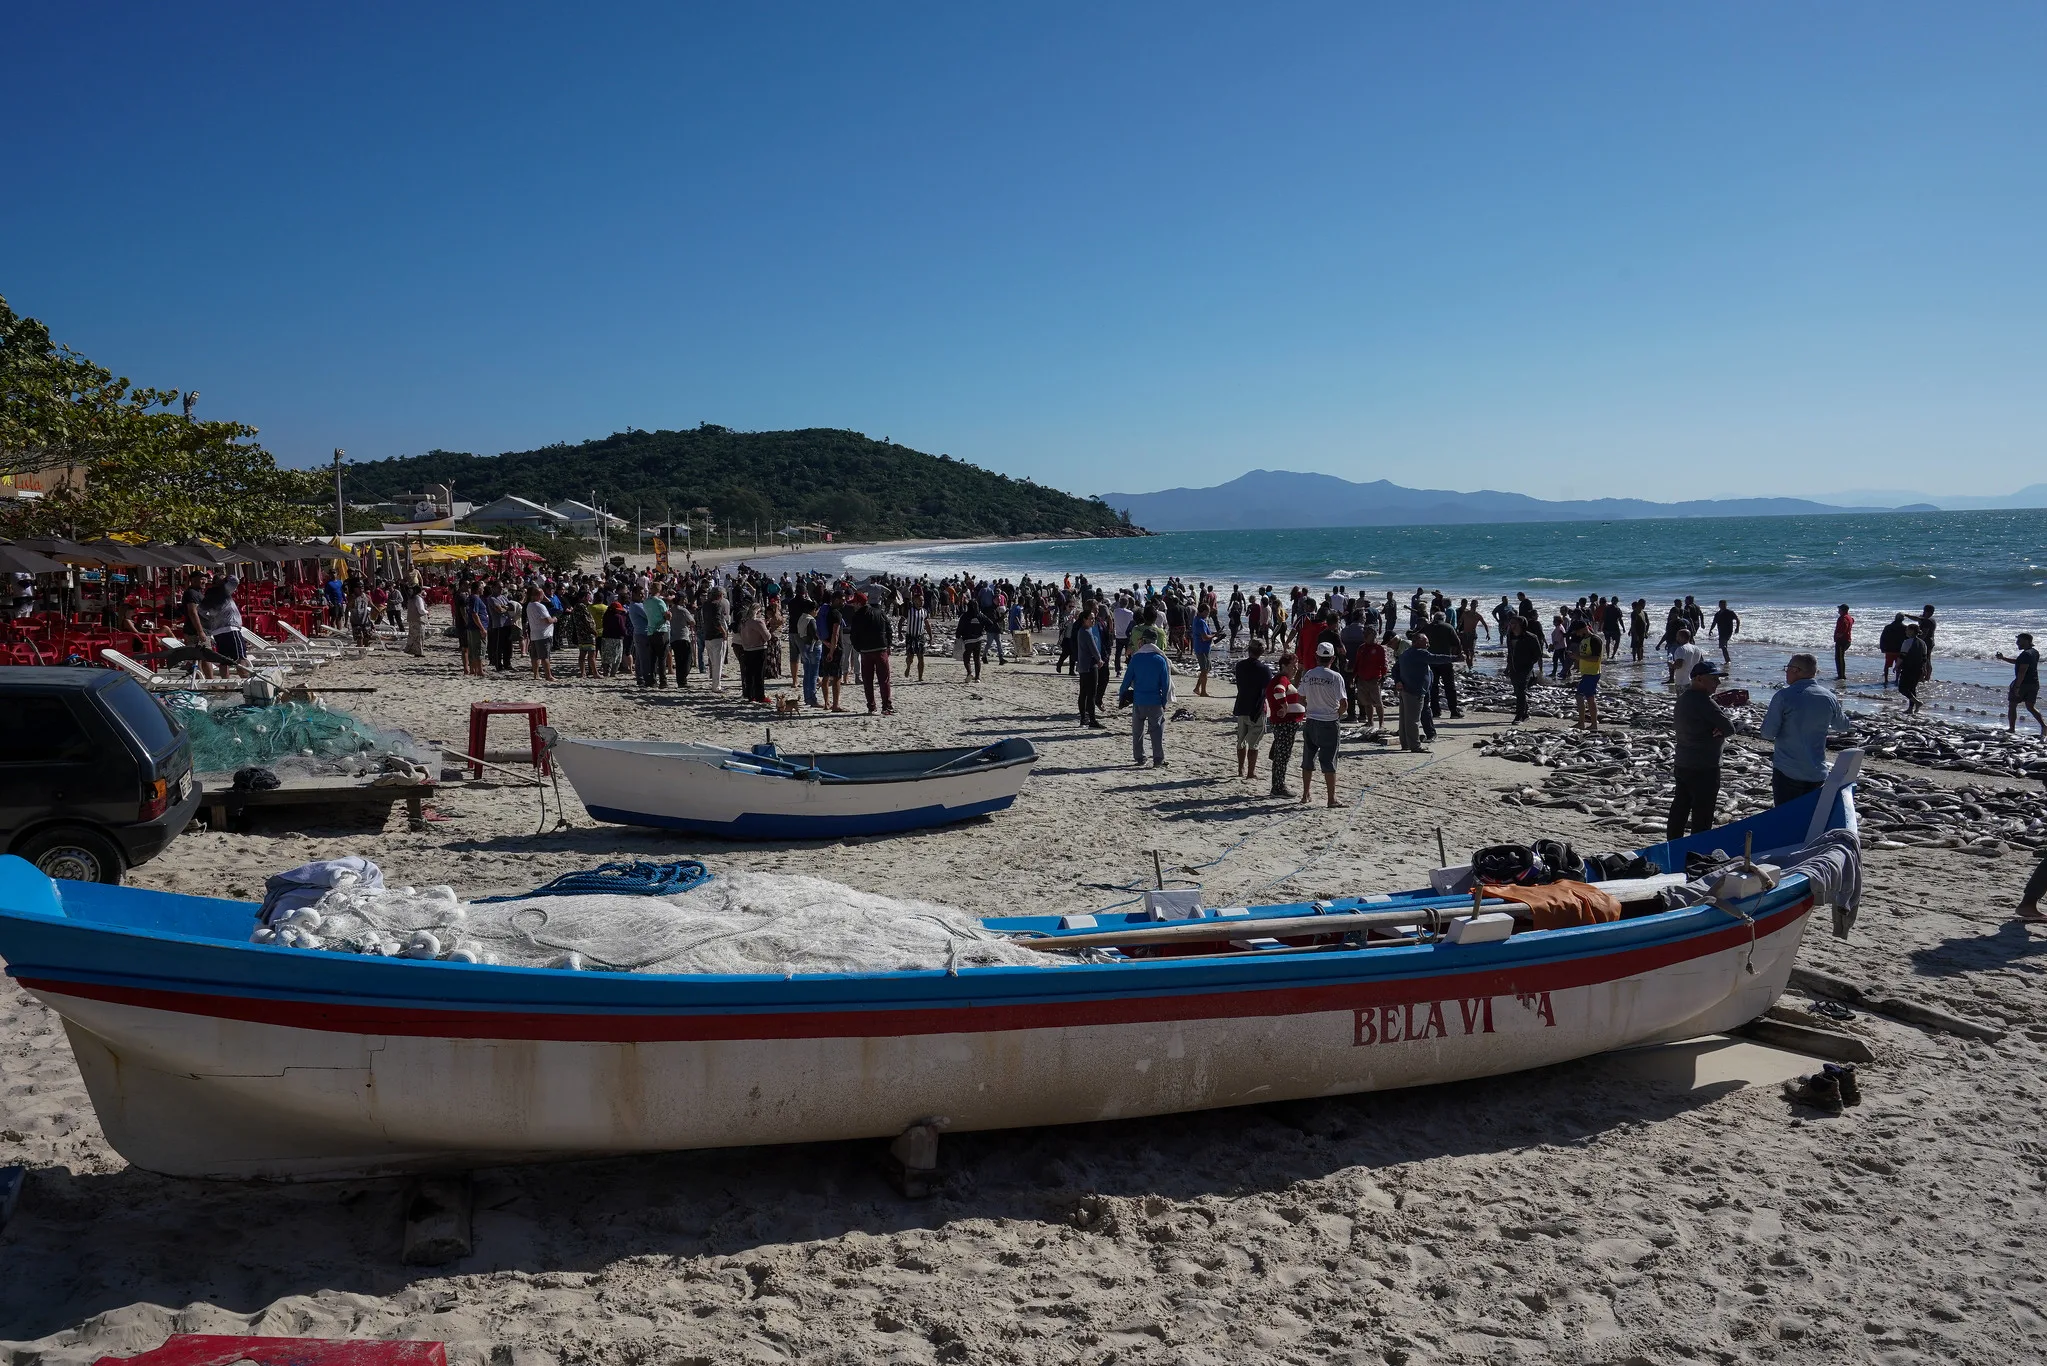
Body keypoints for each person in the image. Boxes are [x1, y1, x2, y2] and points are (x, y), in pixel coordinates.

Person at [1759, 653, 1850, 805]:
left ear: (1797, 670)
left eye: (1788, 668)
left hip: (1788, 770)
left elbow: (1768, 734)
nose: (1786, 671)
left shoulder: (1783, 696)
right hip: (1817, 771)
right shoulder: (1829, 697)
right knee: (1810, 819)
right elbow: (1842, 726)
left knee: (1786, 818)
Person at [1670, 660, 1737, 839]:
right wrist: (1720, 729)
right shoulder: (1704, 701)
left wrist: (1719, 729)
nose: (1718, 683)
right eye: (1714, 679)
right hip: (1704, 766)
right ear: (1699, 679)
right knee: (1703, 813)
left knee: (1680, 807)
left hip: (1684, 762)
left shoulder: (1684, 698)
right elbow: (1730, 728)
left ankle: (1673, 843)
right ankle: (1697, 852)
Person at [1298, 640, 1347, 807]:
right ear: (1332, 659)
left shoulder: (1309, 674)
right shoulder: (1335, 677)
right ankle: (1331, 798)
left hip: (1312, 720)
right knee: (1329, 761)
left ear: (1316, 657)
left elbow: (1300, 697)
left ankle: (1305, 794)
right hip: (1328, 722)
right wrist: (1336, 715)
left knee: (1308, 758)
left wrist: (1310, 708)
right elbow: (1344, 704)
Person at [1393, 628, 1455, 753]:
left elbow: (1395, 669)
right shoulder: (1419, 653)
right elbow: (1436, 658)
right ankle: (1415, 746)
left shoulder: (1406, 653)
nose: (1428, 645)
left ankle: (1405, 744)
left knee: (1405, 719)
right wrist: (1455, 658)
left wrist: (1398, 681)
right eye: (1426, 642)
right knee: (1413, 720)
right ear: (1417, 642)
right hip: (1414, 691)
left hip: (1408, 690)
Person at [1118, 632, 1174, 768]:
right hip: (1154, 700)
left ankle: (1139, 757)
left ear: (1143, 642)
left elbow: (1126, 680)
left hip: (1139, 700)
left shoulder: (1136, 659)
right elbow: (1165, 683)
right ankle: (1158, 758)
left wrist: (1121, 696)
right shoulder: (1160, 659)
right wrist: (1164, 701)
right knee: (1156, 731)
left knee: (1137, 731)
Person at [1231, 638, 1273, 780]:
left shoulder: (1240, 665)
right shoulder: (1264, 669)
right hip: (1257, 708)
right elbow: (1268, 690)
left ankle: (1240, 769)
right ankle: (1250, 772)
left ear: (1249, 649)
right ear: (1262, 652)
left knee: (1241, 740)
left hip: (1242, 705)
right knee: (1253, 744)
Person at [1266, 655, 1306, 796]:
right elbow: (1278, 690)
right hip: (1285, 723)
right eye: (1293, 665)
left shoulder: (1283, 679)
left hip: (1285, 723)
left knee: (1281, 754)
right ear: (1284, 666)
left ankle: (1278, 785)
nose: (1295, 668)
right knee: (1282, 756)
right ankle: (1278, 787)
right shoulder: (1281, 679)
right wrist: (1285, 706)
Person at [849, 592, 895, 714]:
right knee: (884, 679)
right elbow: (889, 630)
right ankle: (886, 706)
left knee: (868, 680)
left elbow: (853, 636)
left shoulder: (857, 616)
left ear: (859, 603)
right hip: (881, 649)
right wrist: (888, 645)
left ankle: (871, 706)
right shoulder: (879, 612)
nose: (853, 605)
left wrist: (858, 648)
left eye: (854, 603)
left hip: (866, 652)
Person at [1998, 633, 2043, 734]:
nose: (2017, 643)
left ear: (2027, 641)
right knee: (2030, 707)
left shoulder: (2026, 654)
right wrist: (2003, 658)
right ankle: (2044, 726)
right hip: (2034, 683)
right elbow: (2019, 662)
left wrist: (2017, 686)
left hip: (2023, 684)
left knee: (2012, 705)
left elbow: (2022, 671)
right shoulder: (2035, 652)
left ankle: (2011, 728)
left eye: (2019, 641)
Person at [1504, 615, 1541, 722]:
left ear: (1521, 625)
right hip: (1513, 667)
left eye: (1514, 623)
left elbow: (1537, 654)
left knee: (1521, 690)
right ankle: (1525, 713)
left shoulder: (1531, 637)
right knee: (1517, 691)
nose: (1511, 625)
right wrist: (1508, 666)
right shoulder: (1510, 636)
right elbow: (1510, 652)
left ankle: (1519, 715)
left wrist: (1529, 664)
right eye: (1510, 623)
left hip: (1525, 668)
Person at [736, 602, 773, 703]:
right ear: (758, 611)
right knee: (759, 674)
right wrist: (767, 628)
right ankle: (760, 696)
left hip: (747, 649)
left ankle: (750, 695)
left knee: (749, 674)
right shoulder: (758, 622)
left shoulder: (744, 622)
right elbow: (767, 637)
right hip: (759, 649)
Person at [1353, 627, 1387, 731]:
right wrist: (1354, 676)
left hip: (1374, 679)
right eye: (1366, 635)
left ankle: (1381, 724)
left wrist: (1384, 675)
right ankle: (1370, 722)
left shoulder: (1379, 648)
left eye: (1370, 635)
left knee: (1378, 702)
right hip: (1362, 678)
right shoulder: (1361, 648)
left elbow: (1384, 664)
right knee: (1366, 702)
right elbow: (1357, 663)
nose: (1367, 637)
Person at [1573, 624, 1603, 731]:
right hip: (1586, 673)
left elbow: (1596, 658)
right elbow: (1583, 655)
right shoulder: (1583, 640)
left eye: (1578, 631)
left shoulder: (1595, 639)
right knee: (1589, 698)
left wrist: (1579, 657)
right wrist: (1576, 659)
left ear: (1584, 629)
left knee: (1580, 696)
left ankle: (1586, 723)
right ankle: (1589, 723)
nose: (1577, 634)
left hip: (1593, 673)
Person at [523, 587, 556, 681]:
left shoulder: (529, 605)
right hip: (544, 634)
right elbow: (548, 620)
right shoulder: (539, 606)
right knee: (545, 656)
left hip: (534, 633)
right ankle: (548, 675)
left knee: (535, 656)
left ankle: (536, 674)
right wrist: (554, 619)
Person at [700, 589, 730, 692]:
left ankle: (715, 684)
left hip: (708, 635)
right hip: (717, 636)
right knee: (718, 663)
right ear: (720, 595)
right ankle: (716, 686)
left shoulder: (706, 604)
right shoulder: (717, 605)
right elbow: (717, 621)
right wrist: (724, 632)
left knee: (713, 662)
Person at [1895, 621, 1927, 714]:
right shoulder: (1923, 643)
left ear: (1912, 631)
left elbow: (1902, 656)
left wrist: (1896, 666)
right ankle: (1911, 709)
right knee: (1912, 688)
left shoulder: (1907, 642)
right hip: (1919, 668)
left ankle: (1917, 703)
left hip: (1908, 668)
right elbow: (1924, 658)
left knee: (1902, 688)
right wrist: (1924, 669)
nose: (1906, 632)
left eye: (1907, 630)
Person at [956, 599, 986, 682]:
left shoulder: (965, 616)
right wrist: (982, 629)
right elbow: (989, 623)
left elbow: (960, 627)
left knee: (966, 658)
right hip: (978, 640)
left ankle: (969, 673)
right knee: (977, 659)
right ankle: (977, 677)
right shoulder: (980, 615)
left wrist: (958, 635)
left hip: (968, 640)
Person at [1877, 612, 1907, 687]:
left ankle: (1886, 679)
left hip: (1889, 649)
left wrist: (1882, 647)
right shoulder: (1905, 628)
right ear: (1902, 619)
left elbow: (1882, 638)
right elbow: (1907, 639)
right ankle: (1897, 679)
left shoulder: (1888, 627)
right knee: (1899, 665)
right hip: (1900, 650)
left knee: (1887, 665)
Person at [903, 597, 928, 683]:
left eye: (922, 600)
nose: (921, 602)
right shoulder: (909, 611)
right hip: (910, 636)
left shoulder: (924, 611)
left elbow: (927, 624)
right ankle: (908, 666)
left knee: (921, 657)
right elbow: (900, 622)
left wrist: (931, 636)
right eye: (919, 600)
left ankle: (920, 677)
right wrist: (899, 633)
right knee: (910, 657)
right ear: (914, 601)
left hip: (920, 637)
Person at [1710, 600, 1741, 666]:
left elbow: (1737, 619)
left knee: (1723, 645)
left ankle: (1728, 660)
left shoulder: (1730, 612)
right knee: (1723, 646)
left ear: (1726, 605)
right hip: (1721, 631)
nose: (1722, 606)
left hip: (1728, 631)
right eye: (1721, 605)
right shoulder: (1718, 614)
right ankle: (1727, 660)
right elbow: (1714, 622)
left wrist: (1737, 627)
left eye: (1724, 604)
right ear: (1719, 605)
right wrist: (1710, 630)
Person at [1190, 610, 1213, 696]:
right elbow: (1205, 637)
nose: (1207, 615)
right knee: (1204, 670)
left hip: (1201, 648)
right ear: (1202, 611)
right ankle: (1203, 691)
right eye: (1207, 613)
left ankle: (1197, 688)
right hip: (1202, 648)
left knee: (1205, 670)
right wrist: (1214, 635)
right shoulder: (1200, 622)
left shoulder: (1197, 619)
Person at [1832, 605, 1854, 681]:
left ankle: (1841, 676)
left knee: (1839, 658)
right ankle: (1841, 674)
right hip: (1847, 640)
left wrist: (1839, 634)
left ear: (1843, 610)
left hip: (1842, 641)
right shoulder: (1849, 617)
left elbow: (1844, 626)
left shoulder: (1843, 618)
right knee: (1839, 657)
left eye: (1839, 609)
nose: (1838, 611)